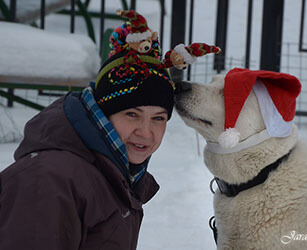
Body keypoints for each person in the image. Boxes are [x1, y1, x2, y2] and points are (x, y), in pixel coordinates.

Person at [0, 11, 176, 249]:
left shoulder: (114, 173)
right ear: (104, 111)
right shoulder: (49, 180)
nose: (146, 132)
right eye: (131, 114)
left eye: (158, 118)